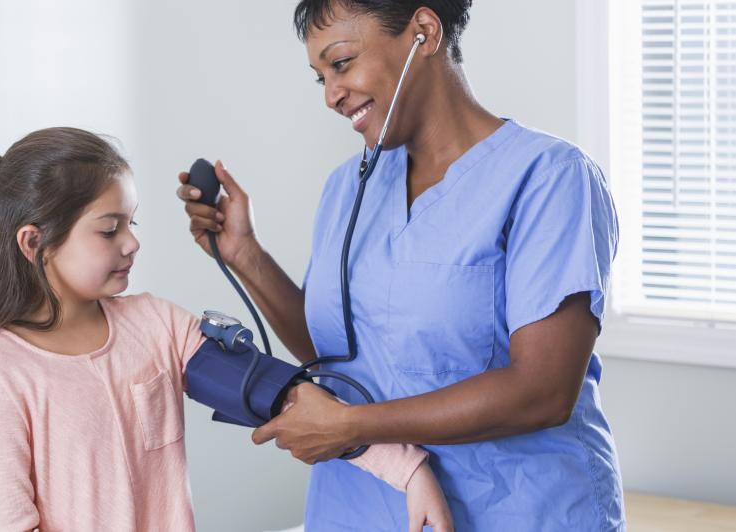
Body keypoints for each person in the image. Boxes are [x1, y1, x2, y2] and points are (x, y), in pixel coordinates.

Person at [176, 1, 625, 530]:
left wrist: (349, 425)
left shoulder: (549, 178)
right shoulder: (348, 187)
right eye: (319, 77)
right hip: (358, 505)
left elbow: (543, 391)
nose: (330, 95)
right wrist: (245, 255)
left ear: (424, 32)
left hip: (517, 508)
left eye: (341, 63)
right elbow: (344, 357)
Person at [0, 127, 452, 532]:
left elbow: (284, 397)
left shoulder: (157, 326)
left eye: (132, 223)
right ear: (34, 243)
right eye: (108, 229)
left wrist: (408, 470)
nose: (131, 244)